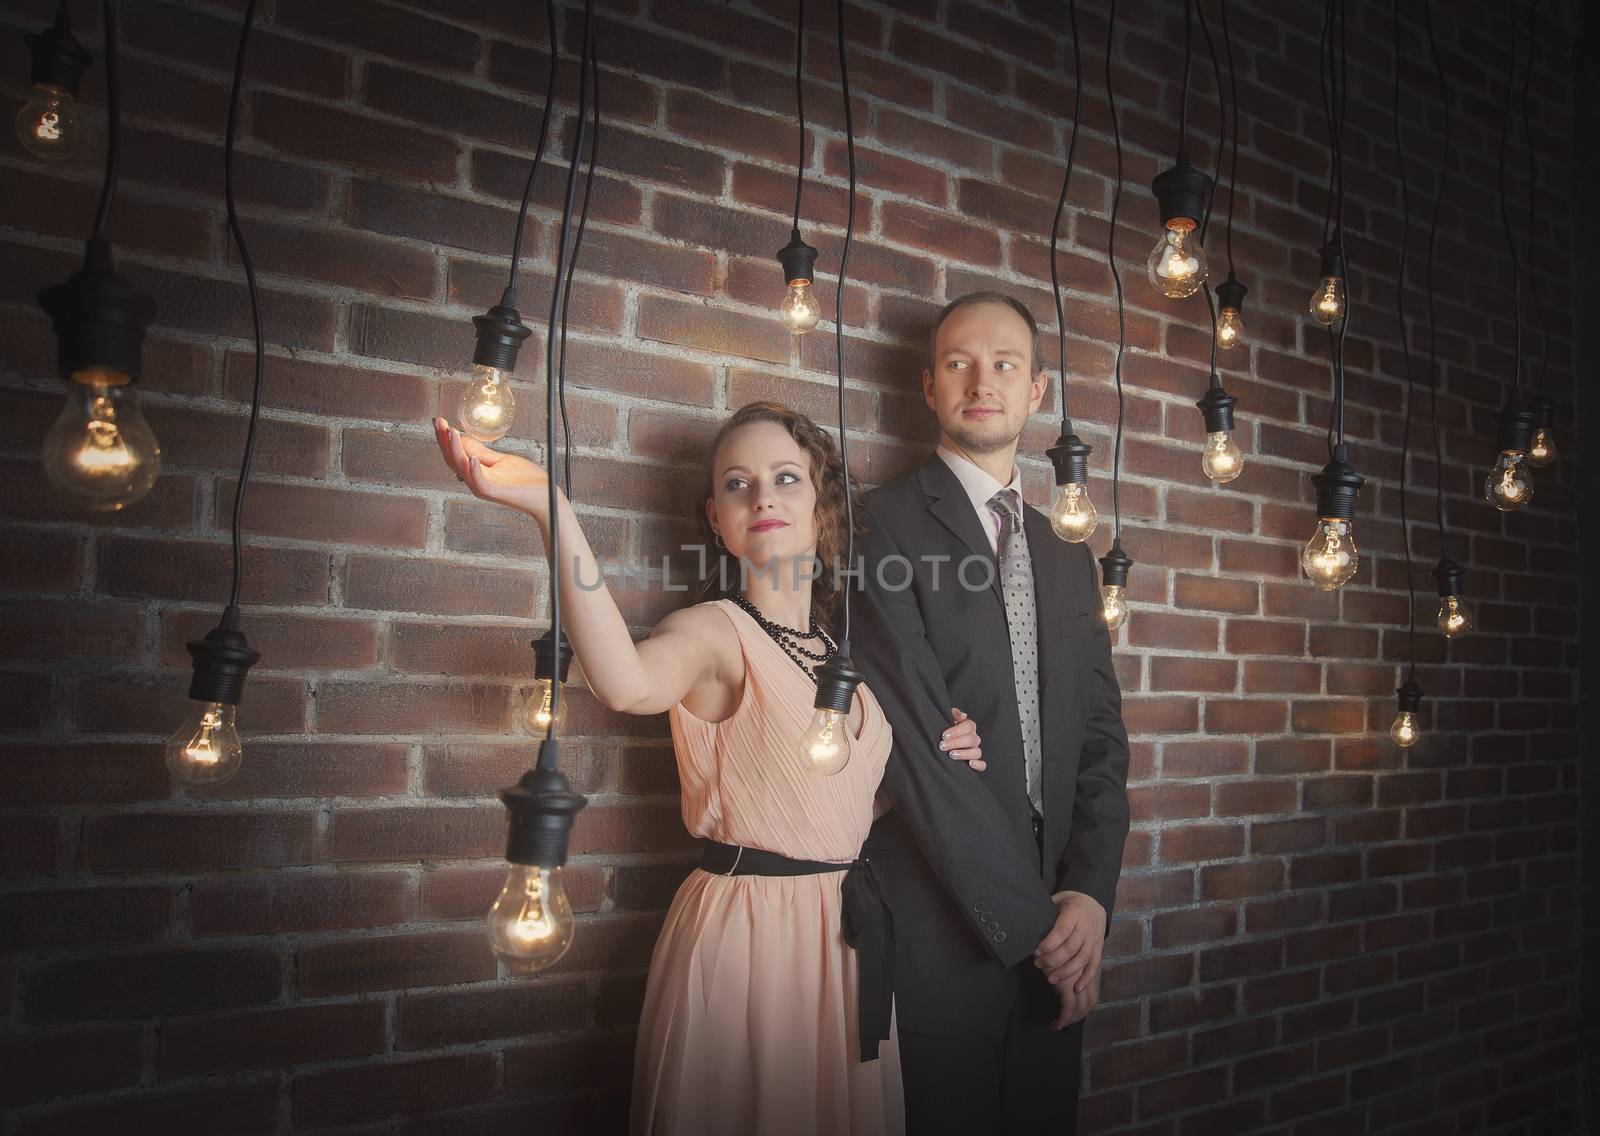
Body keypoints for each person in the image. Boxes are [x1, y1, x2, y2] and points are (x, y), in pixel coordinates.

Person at [433, 401, 986, 1136]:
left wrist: (953, 754)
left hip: (845, 941)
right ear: (716, 519)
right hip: (751, 936)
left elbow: (832, 800)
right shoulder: (711, 632)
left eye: (786, 478)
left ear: (821, 509)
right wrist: (552, 512)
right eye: (737, 484)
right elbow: (627, 683)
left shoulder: (838, 649)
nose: (762, 497)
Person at [852, 293, 1132, 1134]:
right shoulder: (879, 525)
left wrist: (1087, 893)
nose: (983, 380)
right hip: (942, 934)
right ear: (929, 386)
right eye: (959, 363)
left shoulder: (1069, 557)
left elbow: (1101, 742)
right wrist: (1035, 925)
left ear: (1037, 390)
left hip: (1059, 935)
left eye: (1005, 363)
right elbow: (915, 750)